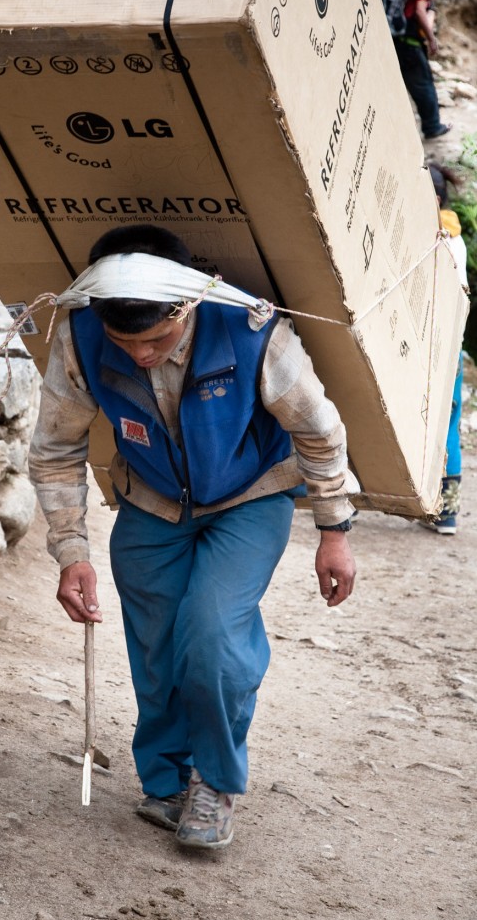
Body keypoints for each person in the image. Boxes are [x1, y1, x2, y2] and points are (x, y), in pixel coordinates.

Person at [28, 223, 357, 851]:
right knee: (155, 650)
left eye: (157, 338)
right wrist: (72, 552)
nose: (142, 354)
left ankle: (215, 781)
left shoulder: (254, 330)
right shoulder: (79, 333)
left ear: (191, 303)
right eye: (127, 343)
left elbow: (319, 431)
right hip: (151, 501)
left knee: (212, 636)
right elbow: (55, 449)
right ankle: (166, 782)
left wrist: (333, 530)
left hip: (250, 495)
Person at [420, 162, 468, 534]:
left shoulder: (435, 239)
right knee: (448, 423)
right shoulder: (456, 237)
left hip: (432, 349)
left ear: (433, 199)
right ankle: (446, 512)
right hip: (453, 347)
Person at [393, 0, 451, 140]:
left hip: (398, 38)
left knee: (411, 82)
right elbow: (419, 10)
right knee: (424, 83)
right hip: (410, 41)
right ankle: (432, 127)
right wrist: (432, 39)